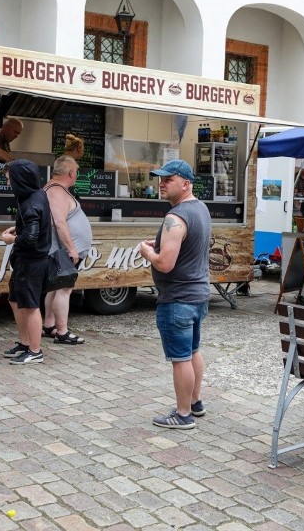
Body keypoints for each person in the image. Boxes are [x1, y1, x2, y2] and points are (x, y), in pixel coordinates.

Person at [138, 159, 212, 430]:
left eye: (169, 179)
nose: (162, 183)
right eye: (161, 179)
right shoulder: (200, 209)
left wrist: (149, 253)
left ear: (186, 183)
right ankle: (195, 402)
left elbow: (165, 263)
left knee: (180, 358)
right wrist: (159, 244)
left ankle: (183, 415)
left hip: (178, 297)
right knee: (192, 351)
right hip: (198, 293)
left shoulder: (175, 217)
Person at [1, 159, 52, 364]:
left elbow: (30, 239)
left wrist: (11, 239)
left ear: (19, 179)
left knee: (30, 305)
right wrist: (20, 230)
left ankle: (35, 350)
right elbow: (34, 228)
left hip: (31, 261)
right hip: (29, 260)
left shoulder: (30, 203)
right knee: (15, 300)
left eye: (9, 179)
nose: (8, 183)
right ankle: (24, 343)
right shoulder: (38, 195)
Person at [43, 155, 92, 344]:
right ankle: (62, 332)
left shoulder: (55, 189)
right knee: (65, 288)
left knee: (56, 288)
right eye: (77, 172)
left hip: (60, 250)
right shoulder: (56, 191)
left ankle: (49, 324)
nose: (77, 175)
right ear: (71, 173)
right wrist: (71, 249)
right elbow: (60, 223)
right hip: (63, 251)